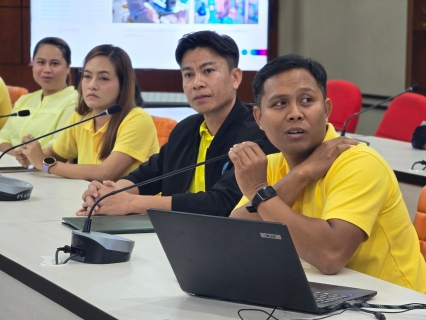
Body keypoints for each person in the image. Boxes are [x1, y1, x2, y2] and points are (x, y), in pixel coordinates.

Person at [228, 54, 426, 292]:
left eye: (307, 100)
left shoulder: (359, 161)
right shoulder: (268, 165)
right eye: (280, 103)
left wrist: (259, 191)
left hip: (399, 305)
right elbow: (235, 239)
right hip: (323, 295)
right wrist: (300, 175)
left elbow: (330, 256)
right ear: (259, 118)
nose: (295, 113)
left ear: (326, 109)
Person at [77, 30, 277, 217]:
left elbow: (222, 203)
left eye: (208, 71)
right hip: (173, 236)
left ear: (235, 77)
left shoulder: (259, 132)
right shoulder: (186, 128)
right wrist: (110, 192)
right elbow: (147, 174)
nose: (197, 83)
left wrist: (129, 203)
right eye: (188, 74)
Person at [15, 44, 159, 181]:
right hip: (91, 200)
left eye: (103, 78)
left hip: (134, 205)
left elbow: (105, 173)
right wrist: (31, 154)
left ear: (122, 85)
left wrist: (45, 164)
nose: (92, 86)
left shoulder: (138, 120)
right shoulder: (81, 116)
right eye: (87, 76)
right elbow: (56, 154)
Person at [0, 37, 77, 156]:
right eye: (41, 62)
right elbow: (3, 137)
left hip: (44, 171)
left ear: (68, 67)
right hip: (11, 168)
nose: (47, 70)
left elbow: (59, 146)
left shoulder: (75, 101)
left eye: (54, 63)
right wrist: (18, 158)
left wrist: (25, 160)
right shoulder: (24, 100)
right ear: (33, 64)